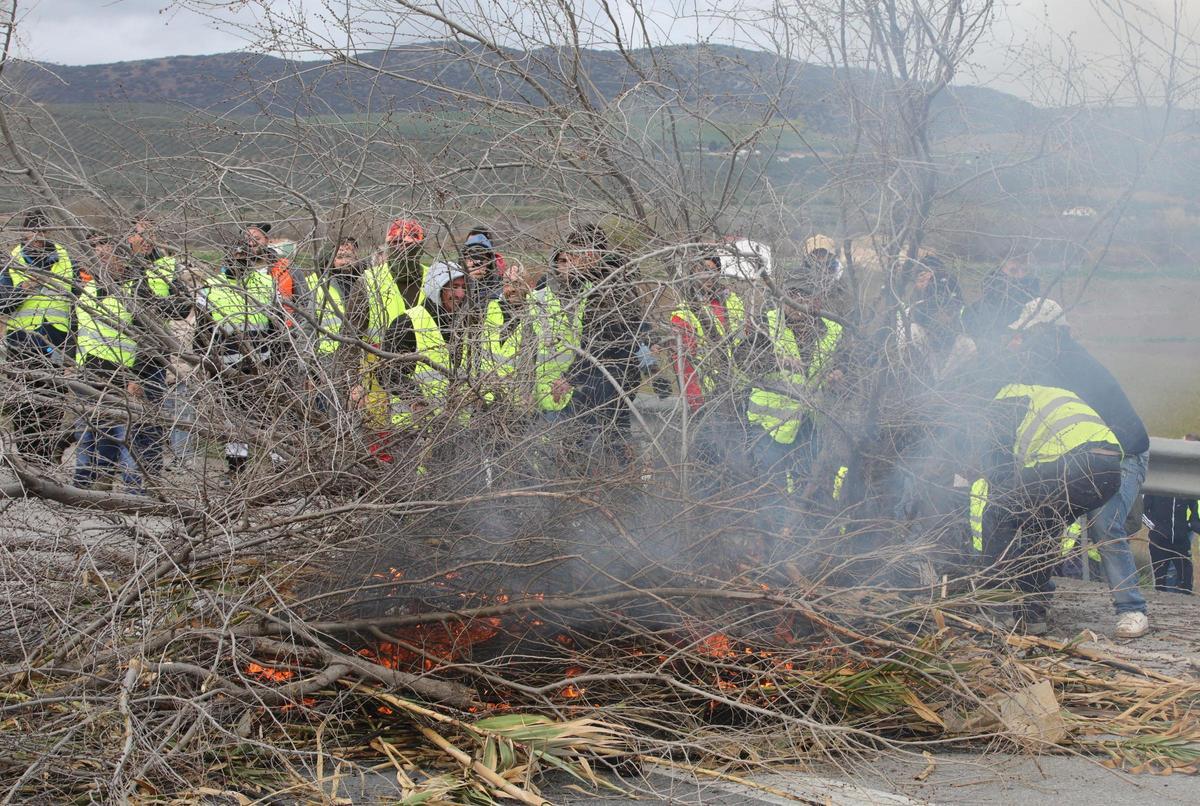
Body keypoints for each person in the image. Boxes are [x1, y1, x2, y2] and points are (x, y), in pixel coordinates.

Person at [1005, 298, 1153, 638]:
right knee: (1044, 518)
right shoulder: (1044, 365)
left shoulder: (1072, 367)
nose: (1022, 343)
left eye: (1027, 336)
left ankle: (1132, 610)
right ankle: (1034, 608)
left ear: (1050, 335)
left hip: (1121, 454)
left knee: (1105, 522)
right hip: (1076, 455)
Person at [975, 301, 1125, 634]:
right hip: (1109, 467)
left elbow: (1000, 472)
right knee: (1040, 524)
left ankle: (994, 604)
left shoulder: (1007, 397)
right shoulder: (1045, 392)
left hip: (1078, 462)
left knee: (999, 509)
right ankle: (1034, 614)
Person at [72, 233, 164, 494]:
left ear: (122, 259)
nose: (102, 261)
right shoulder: (86, 290)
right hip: (89, 373)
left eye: (108, 255)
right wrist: (71, 363)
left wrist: (136, 377)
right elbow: (75, 328)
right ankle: (86, 488)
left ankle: (135, 492)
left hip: (124, 377)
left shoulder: (134, 291)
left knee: (129, 437)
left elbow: (150, 339)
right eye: (97, 256)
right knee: (91, 434)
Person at [551, 225, 647, 471]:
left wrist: (569, 378)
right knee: (601, 437)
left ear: (592, 254)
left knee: (595, 436)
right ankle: (612, 484)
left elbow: (599, 343)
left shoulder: (608, 287)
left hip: (612, 377)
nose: (570, 261)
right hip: (606, 376)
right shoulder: (601, 282)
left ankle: (621, 487)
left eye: (575, 255)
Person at [743, 281, 844, 487]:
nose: (797, 302)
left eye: (805, 296)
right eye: (792, 295)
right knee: (771, 487)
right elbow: (743, 360)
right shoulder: (767, 322)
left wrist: (840, 374)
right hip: (768, 426)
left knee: (804, 481)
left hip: (810, 423)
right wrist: (776, 361)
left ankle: (799, 515)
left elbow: (847, 361)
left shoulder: (833, 328)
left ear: (817, 301)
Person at [192, 243, 280, 476]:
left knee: (268, 416)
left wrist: (279, 362)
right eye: (237, 256)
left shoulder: (266, 284)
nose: (240, 261)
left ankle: (279, 467)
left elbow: (278, 327)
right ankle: (236, 471)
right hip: (227, 366)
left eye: (245, 257)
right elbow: (201, 333)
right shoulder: (210, 288)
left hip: (262, 364)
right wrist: (208, 365)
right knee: (234, 421)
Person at [1, 210, 75, 463]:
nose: (39, 237)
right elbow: (2, 304)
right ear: (25, 232)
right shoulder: (11, 263)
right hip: (22, 343)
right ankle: (27, 460)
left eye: (43, 231)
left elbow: (78, 304)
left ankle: (45, 459)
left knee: (53, 405)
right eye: (34, 231)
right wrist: (24, 289)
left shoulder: (66, 260)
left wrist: (74, 350)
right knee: (24, 405)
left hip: (56, 342)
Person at [125, 216, 192, 472]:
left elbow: (184, 305)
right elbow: (131, 306)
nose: (146, 240)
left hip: (152, 352)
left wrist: (153, 305)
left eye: (151, 234)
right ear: (130, 236)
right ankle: (122, 471)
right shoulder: (120, 265)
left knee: (151, 416)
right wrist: (155, 306)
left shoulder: (164, 267)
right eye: (141, 233)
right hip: (120, 353)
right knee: (122, 417)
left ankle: (149, 473)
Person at [667, 247, 747, 414]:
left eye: (713, 270)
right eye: (702, 270)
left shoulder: (733, 301)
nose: (708, 275)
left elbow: (747, 340)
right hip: (707, 393)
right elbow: (683, 364)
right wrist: (695, 399)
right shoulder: (684, 312)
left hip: (738, 389)